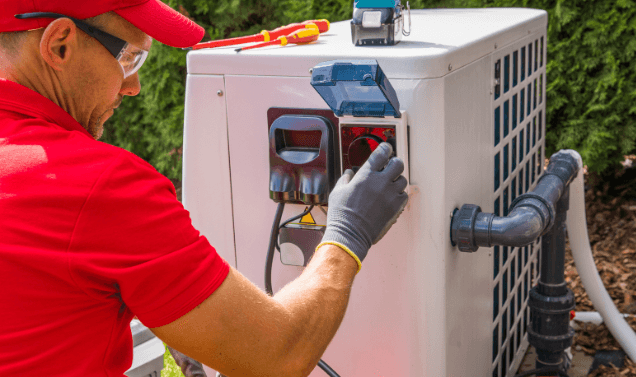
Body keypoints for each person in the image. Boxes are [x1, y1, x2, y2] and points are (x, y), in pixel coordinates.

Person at [0, 1, 409, 376]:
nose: (134, 86)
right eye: (129, 57)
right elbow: (277, 357)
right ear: (59, 46)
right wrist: (347, 234)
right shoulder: (98, 186)